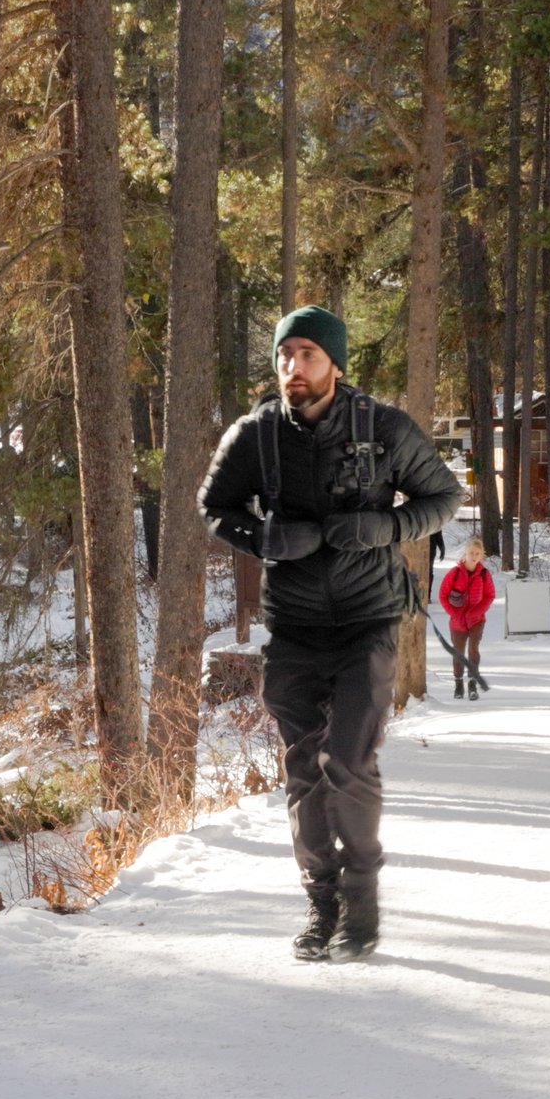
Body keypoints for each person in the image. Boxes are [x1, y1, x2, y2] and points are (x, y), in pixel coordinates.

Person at [199, 306, 465, 962]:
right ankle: (321, 904)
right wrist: (264, 538)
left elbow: (443, 498)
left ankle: (362, 897)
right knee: (305, 770)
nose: (293, 366)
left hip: (367, 620)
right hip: (293, 627)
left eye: (308, 354)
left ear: (336, 364)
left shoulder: (384, 428)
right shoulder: (256, 436)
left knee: (346, 761)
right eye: (284, 354)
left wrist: (386, 527)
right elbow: (215, 506)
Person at [437, 537, 496, 699]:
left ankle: (472, 684)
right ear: (465, 553)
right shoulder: (454, 573)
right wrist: (454, 613)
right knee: (458, 652)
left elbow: (490, 595)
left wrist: (477, 611)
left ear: (482, 554)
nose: (474, 556)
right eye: (471, 553)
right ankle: (458, 684)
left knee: (473, 650)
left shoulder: (484, 574)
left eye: (477, 553)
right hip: (457, 622)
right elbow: (442, 595)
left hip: (477, 620)